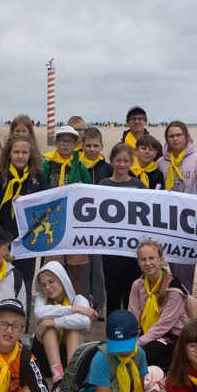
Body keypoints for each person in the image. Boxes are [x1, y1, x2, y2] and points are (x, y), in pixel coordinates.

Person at [0, 134, 45, 305]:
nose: (20, 156)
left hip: (27, 243)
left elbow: (45, 210)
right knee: (2, 285)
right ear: (8, 153)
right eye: (16, 152)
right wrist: (1, 245)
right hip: (3, 243)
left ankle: (22, 325)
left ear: (30, 155)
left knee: (25, 285)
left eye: (25, 152)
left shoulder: (38, 179)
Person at [41, 125, 92, 293]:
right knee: (53, 265)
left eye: (69, 141)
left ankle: (75, 298)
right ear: (56, 143)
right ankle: (54, 299)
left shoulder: (80, 166)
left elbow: (89, 190)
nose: (65, 145)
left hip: (74, 221)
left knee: (76, 266)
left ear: (75, 144)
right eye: (62, 141)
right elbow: (41, 188)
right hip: (53, 220)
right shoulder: (47, 164)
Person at [128, 240, 191, 369]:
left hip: (172, 336)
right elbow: (133, 317)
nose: (147, 263)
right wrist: (131, 338)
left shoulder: (174, 289)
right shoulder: (137, 284)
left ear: (161, 260)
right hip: (145, 333)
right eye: (143, 259)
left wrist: (137, 344)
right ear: (138, 263)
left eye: (152, 258)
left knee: (143, 355)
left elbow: (164, 326)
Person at [100, 143, 146, 316]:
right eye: (118, 160)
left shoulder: (139, 185)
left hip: (132, 250)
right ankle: (112, 328)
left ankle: (129, 329)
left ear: (131, 162)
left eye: (126, 161)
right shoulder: (103, 184)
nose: (121, 164)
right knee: (112, 291)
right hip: (110, 249)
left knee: (131, 292)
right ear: (111, 161)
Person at [33, 260, 96, 386]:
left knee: (72, 329)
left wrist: (53, 322)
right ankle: (57, 378)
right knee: (48, 329)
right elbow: (39, 313)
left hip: (67, 354)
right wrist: (73, 309)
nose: (48, 287)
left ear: (62, 280)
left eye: (51, 281)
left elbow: (85, 322)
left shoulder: (79, 299)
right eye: (43, 285)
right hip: (43, 355)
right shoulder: (41, 299)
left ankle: (71, 377)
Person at [79, 126, 112, 316]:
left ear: (101, 146)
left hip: (101, 224)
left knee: (98, 266)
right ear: (82, 146)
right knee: (83, 265)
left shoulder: (106, 168)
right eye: (88, 145)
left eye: (95, 145)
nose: (92, 149)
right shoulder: (78, 166)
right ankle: (84, 300)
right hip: (82, 223)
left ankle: (99, 303)